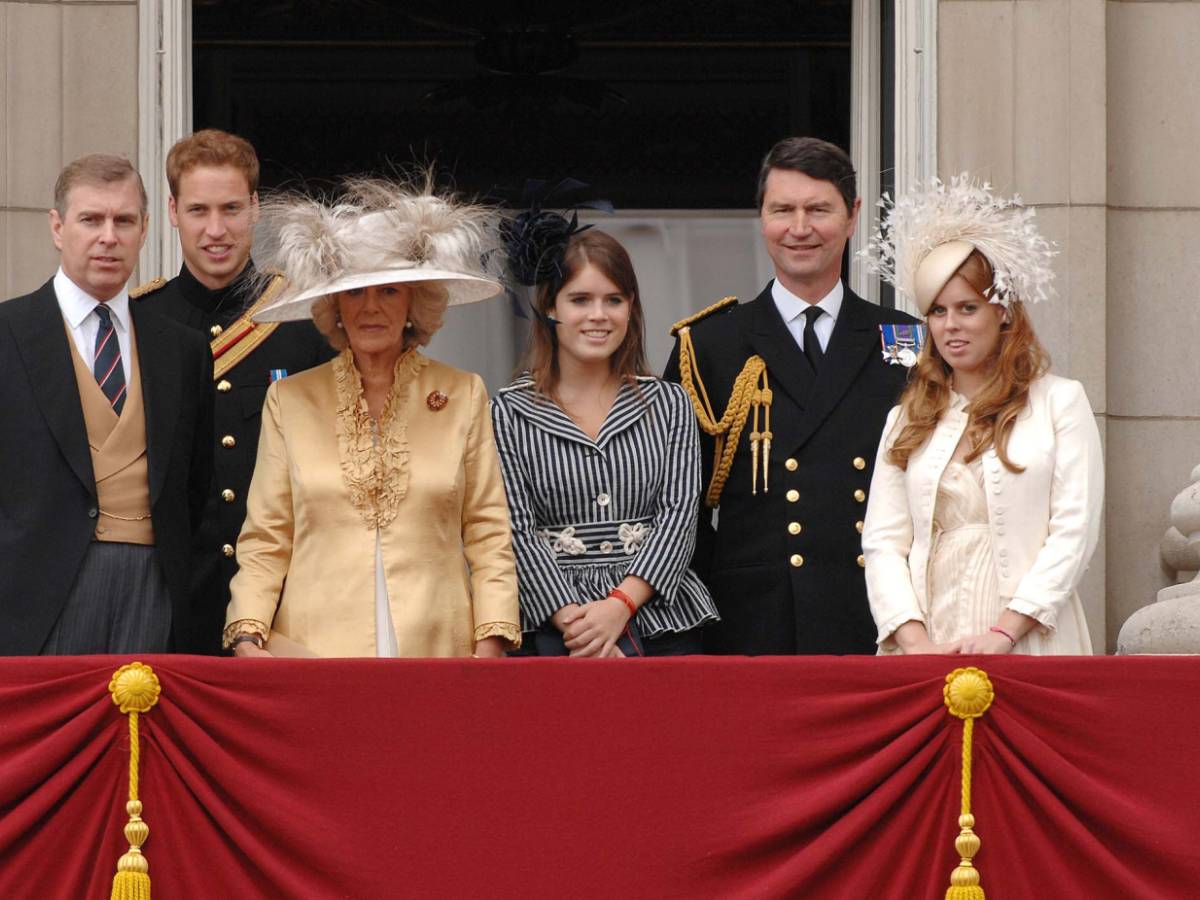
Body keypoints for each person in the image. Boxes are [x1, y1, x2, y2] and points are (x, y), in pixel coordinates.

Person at [222, 177, 520, 658]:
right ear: (335, 307)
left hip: (438, 648)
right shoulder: (290, 400)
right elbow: (266, 535)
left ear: (413, 304)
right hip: (316, 654)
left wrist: (491, 641)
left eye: (389, 291)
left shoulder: (463, 394)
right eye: (355, 294)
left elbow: (487, 532)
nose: (371, 308)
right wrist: (247, 634)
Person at [663, 136, 918, 655]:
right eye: (783, 210)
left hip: (874, 614)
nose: (799, 228)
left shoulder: (905, 340)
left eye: (818, 209)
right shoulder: (711, 343)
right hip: (751, 620)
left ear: (852, 217)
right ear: (761, 218)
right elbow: (678, 500)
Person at [860, 175, 1101, 655]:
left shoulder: (1060, 402)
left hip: (1031, 637)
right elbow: (883, 544)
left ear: (1003, 312)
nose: (951, 326)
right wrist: (914, 641)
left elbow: (1073, 532)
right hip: (926, 639)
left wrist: (1005, 632)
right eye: (937, 311)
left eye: (968, 308)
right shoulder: (906, 418)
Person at [0, 154, 214, 654]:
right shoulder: (8, 334)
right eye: (91, 219)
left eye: (124, 220)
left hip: (154, 583)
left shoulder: (182, 349)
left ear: (144, 230)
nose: (108, 236)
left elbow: (194, 485)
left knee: (140, 733)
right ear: (58, 227)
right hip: (32, 596)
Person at [132, 129, 333, 653]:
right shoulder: (137, 322)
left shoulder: (305, 323)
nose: (215, 230)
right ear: (173, 212)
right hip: (173, 604)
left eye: (231, 208)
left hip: (283, 605)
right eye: (199, 210)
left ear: (257, 208)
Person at [491, 225, 719, 656]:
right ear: (550, 309)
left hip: (659, 620)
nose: (599, 315)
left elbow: (680, 515)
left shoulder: (669, 404)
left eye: (613, 300)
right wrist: (577, 625)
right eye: (580, 300)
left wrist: (619, 607)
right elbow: (514, 529)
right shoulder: (508, 410)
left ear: (631, 308)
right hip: (552, 628)